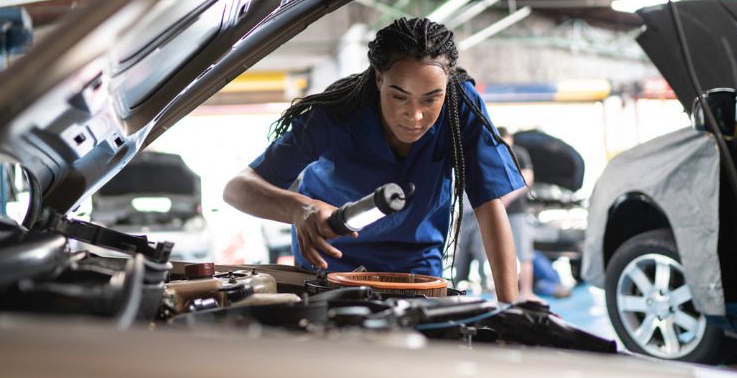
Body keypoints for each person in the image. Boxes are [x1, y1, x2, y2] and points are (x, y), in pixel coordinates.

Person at [223, 17, 525, 303]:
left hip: (416, 276)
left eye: (431, 98)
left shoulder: (460, 106)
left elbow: (488, 204)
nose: (415, 114)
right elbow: (237, 189)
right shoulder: (336, 114)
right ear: (379, 78)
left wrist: (509, 307)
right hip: (330, 271)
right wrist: (300, 210)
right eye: (399, 96)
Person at [497, 127, 540, 301]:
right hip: (500, 212)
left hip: (517, 212)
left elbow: (527, 179)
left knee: (524, 254)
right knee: (501, 254)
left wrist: (507, 198)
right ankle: (502, 293)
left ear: (510, 138)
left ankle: (527, 293)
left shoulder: (519, 153)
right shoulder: (494, 154)